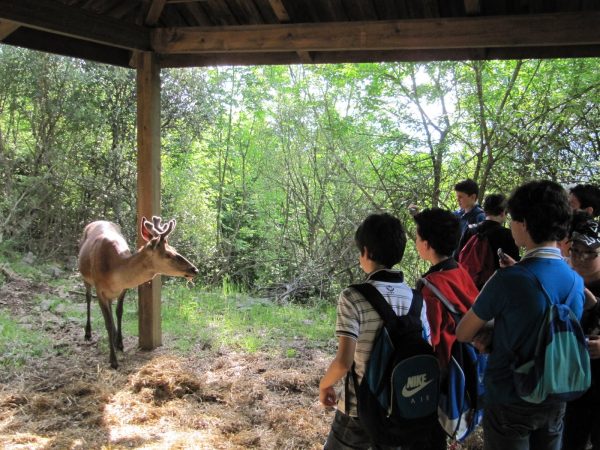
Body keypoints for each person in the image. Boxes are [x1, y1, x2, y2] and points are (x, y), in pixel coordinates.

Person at [455, 180, 585, 450]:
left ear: (524, 224)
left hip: (510, 398)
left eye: (513, 219)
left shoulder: (508, 279)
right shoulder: (574, 280)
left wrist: (493, 330)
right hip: (555, 395)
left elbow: (464, 332)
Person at [319, 213, 432, 450]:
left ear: (367, 252)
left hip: (358, 410)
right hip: (401, 409)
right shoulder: (417, 300)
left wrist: (324, 385)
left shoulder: (353, 297)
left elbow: (343, 362)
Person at [413, 207, 479, 449]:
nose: (416, 241)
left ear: (427, 244)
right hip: (466, 365)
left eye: (418, 237)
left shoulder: (431, 287)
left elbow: (431, 339)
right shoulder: (459, 271)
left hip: (442, 375)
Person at [563, 218, 600, 450]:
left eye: (590, 253)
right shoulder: (566, 281)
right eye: (575, 250)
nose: (580, 258)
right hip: (569, 384)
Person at [457, 193, 520, 287]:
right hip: (494, 288)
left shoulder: (470, 230)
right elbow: (513, 267)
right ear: (503, 212)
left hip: (468, 286)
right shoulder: (508, 235)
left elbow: (458, 257)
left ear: (485, 211)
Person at [453, 179, 486, 257]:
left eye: (460, 197)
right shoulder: (456, 215)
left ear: (473, 197)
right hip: (454, 263)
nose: (457, 200)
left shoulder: (480, 217)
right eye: (457, 196)